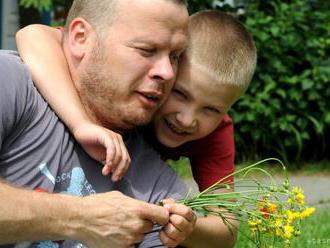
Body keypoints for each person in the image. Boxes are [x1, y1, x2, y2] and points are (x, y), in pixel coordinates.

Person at [16, 9, 257, 248]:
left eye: (211, 110)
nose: (187, 119)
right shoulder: (143, 83)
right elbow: (33, 35)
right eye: (180, 93)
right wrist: (81, 123)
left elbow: (227, 228)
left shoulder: (215, 133)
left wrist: (188, 227)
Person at [0, 0, 194, 248]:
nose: (167, 72)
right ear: (81, 38)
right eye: (147, 50)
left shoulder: (156, 187)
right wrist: (80, 217)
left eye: (175, 56)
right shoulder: (11, 84)